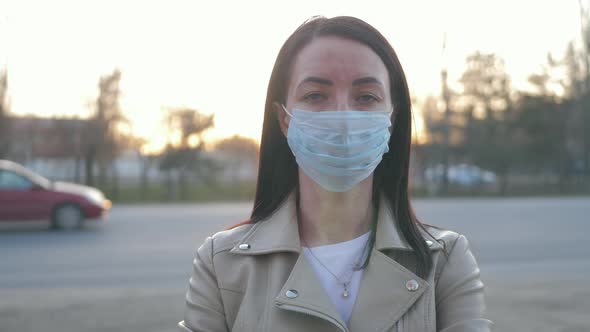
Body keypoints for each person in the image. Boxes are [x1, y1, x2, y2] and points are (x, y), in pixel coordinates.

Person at [178, 15, 493, 332]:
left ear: (392, 118)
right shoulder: (221, 263)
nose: (342, 116)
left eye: (366, 97)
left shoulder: (445, 261)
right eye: (315, 95)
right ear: (284, 119)